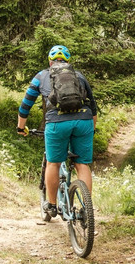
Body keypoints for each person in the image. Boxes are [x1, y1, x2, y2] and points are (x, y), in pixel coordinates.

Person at [16, 45, 98, 218]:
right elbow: (93, 106)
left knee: (53, 163)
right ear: (67, 61)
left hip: (57, 123)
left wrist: (21, 127)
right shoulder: (79, 75)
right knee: (82, 164)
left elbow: (25, 106)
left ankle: (52, 205)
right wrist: (92, 129)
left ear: (50, 61)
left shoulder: (41, 76)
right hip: (84, 121)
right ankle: (86, 210)